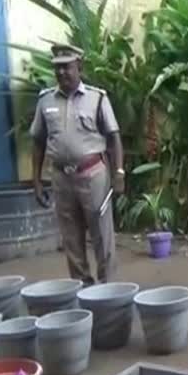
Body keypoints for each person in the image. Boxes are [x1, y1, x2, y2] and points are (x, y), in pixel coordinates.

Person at [30, 44, 124, 286]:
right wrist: (37, 181)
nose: (61, 73)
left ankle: (108, 291)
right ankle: (83, 289)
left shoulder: (97, 98)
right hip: (61, 178)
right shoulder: (46, 100)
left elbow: (113, 138)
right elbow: (38, 141)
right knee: (71, 240)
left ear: (79, 67)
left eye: (67, 67)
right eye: (57, 68)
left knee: (102, 237)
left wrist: (119, 172)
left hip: (94, 176)